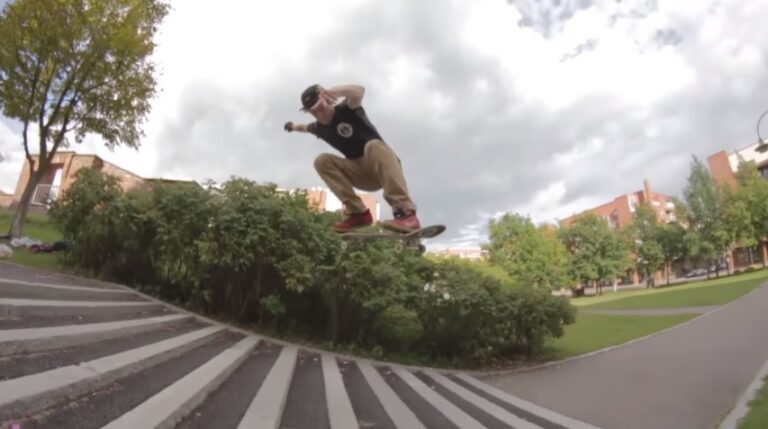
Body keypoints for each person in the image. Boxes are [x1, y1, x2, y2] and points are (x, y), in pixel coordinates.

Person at [284, 83, 421, 233]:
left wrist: (333, 92)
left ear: (328, 100)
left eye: (321, 108)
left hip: (383, 166)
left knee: (373, 145)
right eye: (315, 112)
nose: (320, 114)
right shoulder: (318, 128)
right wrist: (292, 127)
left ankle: (406, 213)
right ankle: (359, 214)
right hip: (361, 175)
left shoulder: (347, 109)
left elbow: (359, 92)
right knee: (321, 161)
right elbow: (304, 128)